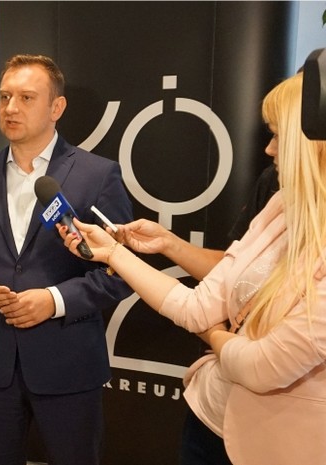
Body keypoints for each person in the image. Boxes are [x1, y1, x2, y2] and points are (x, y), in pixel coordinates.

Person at [62, 72, 326, 465]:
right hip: (207, 420)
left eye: (277, 135)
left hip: (270, 446)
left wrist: (215, 337)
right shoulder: (281, 206)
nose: (269, 149)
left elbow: (261, 368)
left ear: (313, 144)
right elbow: (197, 307)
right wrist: (113, 253)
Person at [0, 54, 133, 465]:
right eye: (4, 97)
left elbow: (120, 272)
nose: (11, 108)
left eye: (26, 98)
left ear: (56, 107)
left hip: (69, 364)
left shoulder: (98, 175)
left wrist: (53, 300)